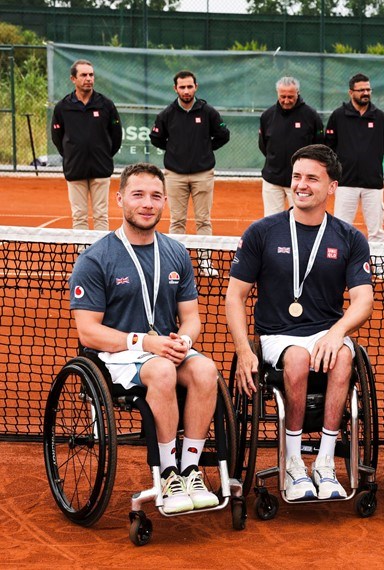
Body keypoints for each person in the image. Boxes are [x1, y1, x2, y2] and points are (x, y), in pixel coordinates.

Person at [69, 162, 221, 514]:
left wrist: (184, 341)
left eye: (155, 196)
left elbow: (191, 318)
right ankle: (168, 473)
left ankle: (190, 470)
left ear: (165, 201)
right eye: (138, 195)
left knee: (205, 370)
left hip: (165, 349)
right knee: (162, 372)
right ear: (120, 199)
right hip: (117, 355)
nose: (147, 204)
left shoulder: (176, 252)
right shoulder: (95, 259)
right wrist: (143, 343)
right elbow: (88, 330)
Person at [226, 144, 373, 501]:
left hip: (325, 332)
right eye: (297, 177)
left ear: (332, 187)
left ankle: (325, 462)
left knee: (344, 356)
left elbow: (364, 300)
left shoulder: (350, 238)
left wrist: (337, 332)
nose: (301, 185)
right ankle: (293, 463)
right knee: (296, 358)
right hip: (277, 336)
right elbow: (234, 296)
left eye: (312, 178)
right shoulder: (262, 232)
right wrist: (244, 350)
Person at [149, 70, 230, 277]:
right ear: (175, 89)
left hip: (203, 174)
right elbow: (156, 138)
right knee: (177, 221)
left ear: (196, 87)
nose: (186, 91)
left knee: (203, 220)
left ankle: (205, 261)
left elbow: (223, 134)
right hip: (175, 175)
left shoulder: (208, 112)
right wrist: (174, 150)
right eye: (182, 87)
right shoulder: (167, 114)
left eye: (189, 86)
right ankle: (176, 262)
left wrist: (206, 149)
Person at [51, 59, 122, 231]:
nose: (88, 78)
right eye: (83, 75)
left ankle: (101, 250)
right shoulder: (62, 107)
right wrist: (71, 155)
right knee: (79, 216)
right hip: (75, 168)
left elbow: (116, 135)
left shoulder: (106, 105)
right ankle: (81, 250)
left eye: (91, 75)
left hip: (101, 168)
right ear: (73, 79)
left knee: (101, 215)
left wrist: (104, 155)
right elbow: (57, 137)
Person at [325, 73, 384, 245]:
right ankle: (341, 260)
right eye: (361, 90)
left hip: (373, 183)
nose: (366, 93)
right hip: (345, 182)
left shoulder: (380, 117)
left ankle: (379, 261)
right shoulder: (338, 116)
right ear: (351, 92)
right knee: (341, 228)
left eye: (368, 89)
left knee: (376, 231)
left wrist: (370, 160)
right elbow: (329, 146)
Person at [258, 76, 325, 216]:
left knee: (301, 219)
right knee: (271, 220)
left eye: (290, 97)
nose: (286, 100)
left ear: (297, 93)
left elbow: (319, 146)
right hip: (272, 180)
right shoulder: (267, 116)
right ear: (277, 93)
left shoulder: (311, 116)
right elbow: (264, 145)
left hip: (301, 182)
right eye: (283, 96)